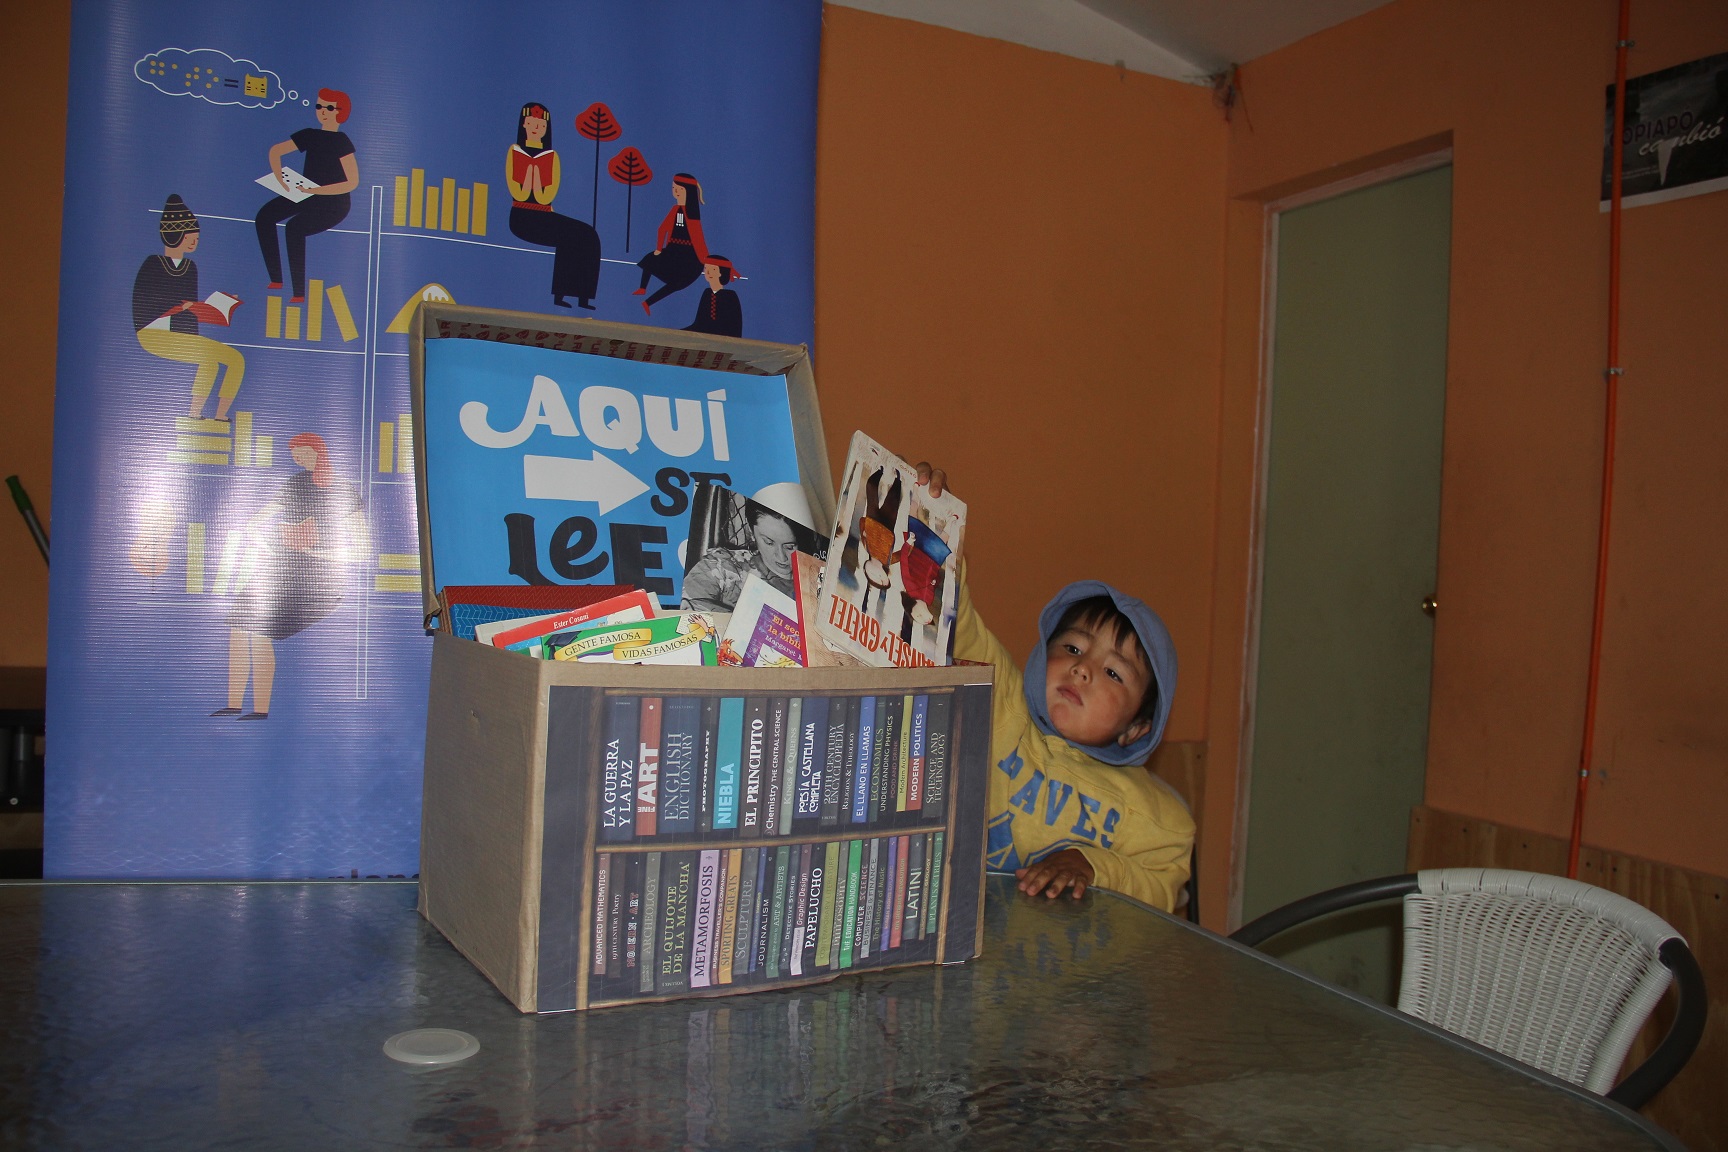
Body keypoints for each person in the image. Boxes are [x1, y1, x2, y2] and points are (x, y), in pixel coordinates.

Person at [917, 463, 1194, 912]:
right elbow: (956, 624)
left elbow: (1163, 887)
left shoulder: (1155, 816)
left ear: (1136, 729)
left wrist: (1093, 866)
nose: (1082, 669)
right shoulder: (1001, 700)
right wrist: (932, 527)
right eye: (1073, 648)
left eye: (1113, 673)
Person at [217, 433, 366, 719]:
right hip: (280, 569)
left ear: (320, 452)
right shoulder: (296, 483)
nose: (300, 460)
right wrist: (268, 545)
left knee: (258, 630)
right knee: (238, 626)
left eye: (305, 454)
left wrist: (319, 553)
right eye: (296, 457)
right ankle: (234, 703)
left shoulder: (343, 489)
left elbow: (362, 550)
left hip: (318, 579)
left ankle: (260, 709)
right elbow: (253, 523)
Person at [133, 194, 245, 421]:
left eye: (196, 238)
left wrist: (215, 305)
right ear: (175, 236)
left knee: (221, 360)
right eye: (189, 237)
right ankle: (204, 413)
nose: (194, 242)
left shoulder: (190, 267)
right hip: (152, 332)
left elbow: (189, 309)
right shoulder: (153, 264)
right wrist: (180, 306)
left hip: (181, 335)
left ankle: (210, 414)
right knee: (227, 359)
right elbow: (145, 302)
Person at [254, 88, 359, 303]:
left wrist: (317, 190)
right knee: (264, 216)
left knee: (294, 228)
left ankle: (298, 293)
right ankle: (276, 278)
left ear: (340, 112)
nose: (322, 111)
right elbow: (275, 151)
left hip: (333, 203)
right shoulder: (311, 135)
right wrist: (280, 179)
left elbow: (351, 182)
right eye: (319, 106)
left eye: (329, 107)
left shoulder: (341, 141)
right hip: (305, 192)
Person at [506, 102, 601, 309]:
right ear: (524, 124)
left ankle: (583, 298)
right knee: (569, 237)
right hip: (522, 217)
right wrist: (531, 175)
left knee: (588, 235)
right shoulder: (514, 151)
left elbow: (546, 197)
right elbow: (518, 193)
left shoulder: (551, 157)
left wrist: (537, 177)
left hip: (544, 213)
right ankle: (559, 295)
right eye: (532, 123)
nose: (536, 128)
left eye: (541, 125)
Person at [635, 173, 735, 316]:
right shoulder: (675, 209)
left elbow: (699, 240)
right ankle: (643, 288)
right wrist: (658, 248)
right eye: (673, 188)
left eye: (680, 189)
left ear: (688, 191)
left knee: (677, 283)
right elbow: (662, 229)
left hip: (689, 257)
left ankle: (648, 302)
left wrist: (708, 260)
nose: (675, 191)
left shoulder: (692, 215)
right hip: (672, 250)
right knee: (649, 259)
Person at [681, 504, 798, 612]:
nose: (781, 557)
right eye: (769, 542)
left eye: (790, 546)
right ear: (751, 532)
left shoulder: (807, 580)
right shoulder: (722, 567)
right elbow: (685, 609)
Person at [682, 256, 743, 337]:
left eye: (713, 269)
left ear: (721, 272)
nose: (708, 272)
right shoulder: (707, 293)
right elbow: (699, 323)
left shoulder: (730, 296)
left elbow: (734, 326)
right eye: (706, 268)